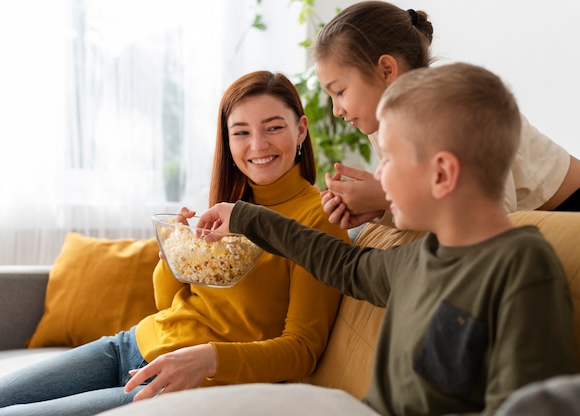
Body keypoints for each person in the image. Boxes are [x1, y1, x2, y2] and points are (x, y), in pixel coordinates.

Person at [0, 71, 349, 415]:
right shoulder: (229, 207)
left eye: (273, 127)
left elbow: (302, 350)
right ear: (227, 142)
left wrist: (209, 360)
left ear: (300, 129)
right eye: (241, 132)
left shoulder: (319, 221)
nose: (257, 145)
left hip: (183, 380)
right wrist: (172, 256)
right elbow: (170, 302)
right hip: (131, 345)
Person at [196, 63, 576, 415]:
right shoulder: (420, 256)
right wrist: (244, 216)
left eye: (389, 159)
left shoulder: (521, 264)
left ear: (442, 174)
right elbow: (341, 263)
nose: (380, 176)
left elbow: (526, 407)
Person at [314, 1, 580, 230]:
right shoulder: (384, 123)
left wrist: (386, 195)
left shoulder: (458, 107)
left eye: (339, 91)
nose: (337, 110)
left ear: (386, 69)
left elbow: (493, 211)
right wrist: (377, 209)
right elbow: (429, 207)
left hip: (567, 210)